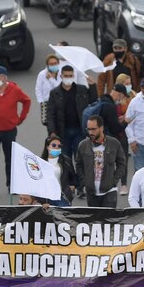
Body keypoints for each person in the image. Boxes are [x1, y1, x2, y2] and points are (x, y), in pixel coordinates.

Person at [0, 66, 32, 198]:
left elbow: (26, 101)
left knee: (11, 159)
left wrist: (21, 118)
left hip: (9, 131)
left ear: (4, 77)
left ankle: (11, 185)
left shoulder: (14, 90)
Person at [46, 65, 90, 195]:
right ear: (61, 76)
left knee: (80, 159)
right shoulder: (55, 93)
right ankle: (70, 185)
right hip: (62, 133)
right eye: (66, 76)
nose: (68, 78)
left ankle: (81, 186)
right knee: (65, 161)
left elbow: (90, 105)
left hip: (79, 131)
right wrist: (52, 132)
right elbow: (50, 114)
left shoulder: (81, 90)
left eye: (70, 76)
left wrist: (92, 86)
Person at [76, 115, 126, 208]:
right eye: (88, 129)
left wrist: (114, 181)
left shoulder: (114, 143)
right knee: (94, 217)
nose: (90, 132)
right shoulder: (83, 145)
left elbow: (122, 164)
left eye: (93, 129)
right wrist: (85, 181)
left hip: (109, 191)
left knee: (108, 217)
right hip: (91, 192)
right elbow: (79, 165)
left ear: (101, 128)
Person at [41, 134, 76, 206]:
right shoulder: (41, 163)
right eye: (54, 145)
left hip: (62, 197)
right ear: (47, 147)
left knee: (64, 213)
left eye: (59, 146)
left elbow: (73, 176)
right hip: (47, 198)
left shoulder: (66, 161)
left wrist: (72, 187)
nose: (56, 147)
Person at [35, 54, 62, 127]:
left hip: (60, 102)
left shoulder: (61, 73)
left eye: (55, 63)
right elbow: (38, 89)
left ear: (58, 63)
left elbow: (59, 87)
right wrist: (41, 102)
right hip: (47, 102)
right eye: (51, 64)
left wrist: (51, 79)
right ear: (47, 65)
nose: (53, 65)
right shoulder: (42, 74)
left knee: (60, 123)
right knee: (49, 124)